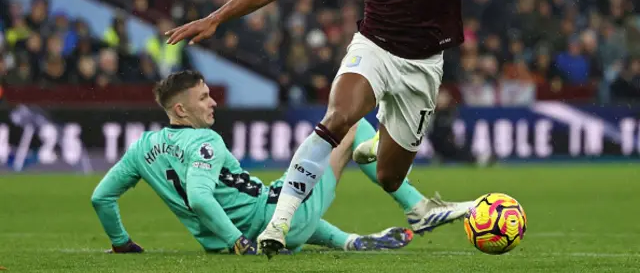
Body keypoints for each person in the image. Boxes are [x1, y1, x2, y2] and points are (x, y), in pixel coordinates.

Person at [165, 0, 515, 257]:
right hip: (375, 48)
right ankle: (280, 221)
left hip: (424, 65)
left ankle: (376, 145)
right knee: (337, 118)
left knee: (388, 176)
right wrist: (216, 17)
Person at [91, 70, 466, 255]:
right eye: (204, 98)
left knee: (288, 192)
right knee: (350, 124)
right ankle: (415, 206)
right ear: (180, 109)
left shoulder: (141, 148)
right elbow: (201, 196)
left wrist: (121, 243)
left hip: (225, 239)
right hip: (265, 224)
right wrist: (240, 242)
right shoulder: (205, 140)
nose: (213, 102)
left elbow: (101, 198)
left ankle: (351, 242)